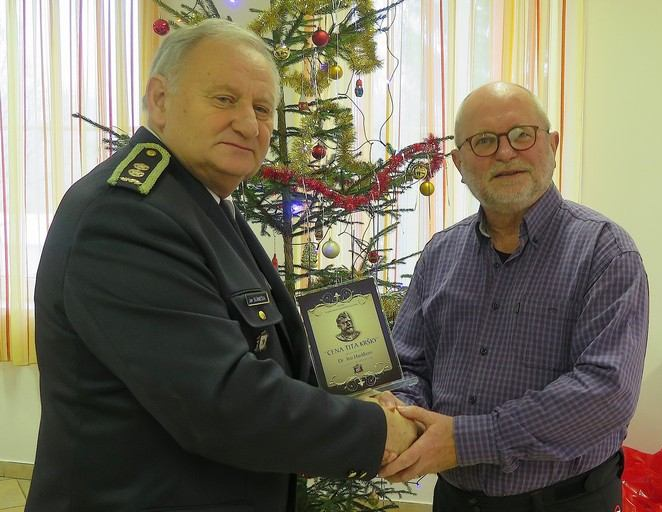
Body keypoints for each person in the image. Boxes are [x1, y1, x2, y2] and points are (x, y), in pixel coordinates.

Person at [27, 20, 417, 512]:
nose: (249, 125)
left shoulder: (201, 203)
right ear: (160, 99)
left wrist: (360, 399)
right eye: (224, 99)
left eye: (262, 109)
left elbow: (269, 358)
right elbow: (224, 405)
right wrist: (380, 429)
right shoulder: (126, 215)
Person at [378, 82, 649, 511]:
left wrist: (466, 441)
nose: (506, 152)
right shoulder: (439, 254)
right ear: (459, 163)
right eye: (483, 141)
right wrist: (401, 419)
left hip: (566, 502)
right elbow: (408, 363)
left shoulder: (606, 252)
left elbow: (605, 392)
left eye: (523, 134)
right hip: (455, 499)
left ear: (553, 145)